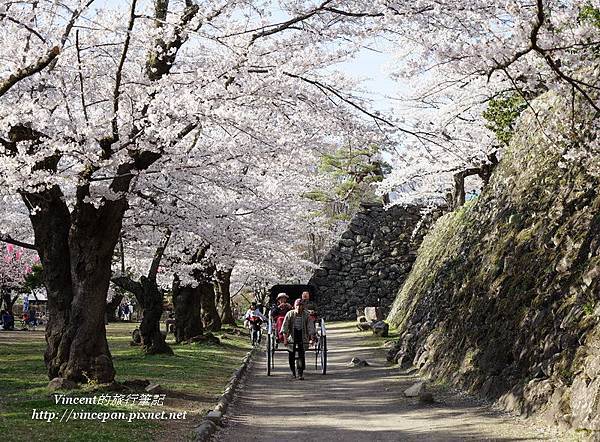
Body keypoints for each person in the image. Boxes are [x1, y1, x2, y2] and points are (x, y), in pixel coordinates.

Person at [281, 298, 310, 380]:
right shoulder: (289, 314)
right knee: (291, 355)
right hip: (292, 336)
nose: (299, 308)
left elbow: (310, 326)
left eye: (300, 306)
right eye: (297, 306)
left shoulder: (306, 315)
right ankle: (293, 372)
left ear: (303, 307)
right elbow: (285, 327)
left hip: (302, 335)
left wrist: (311, 337)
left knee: (301, 354)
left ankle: (300, 373)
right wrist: (285, 339)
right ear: (294, 306)